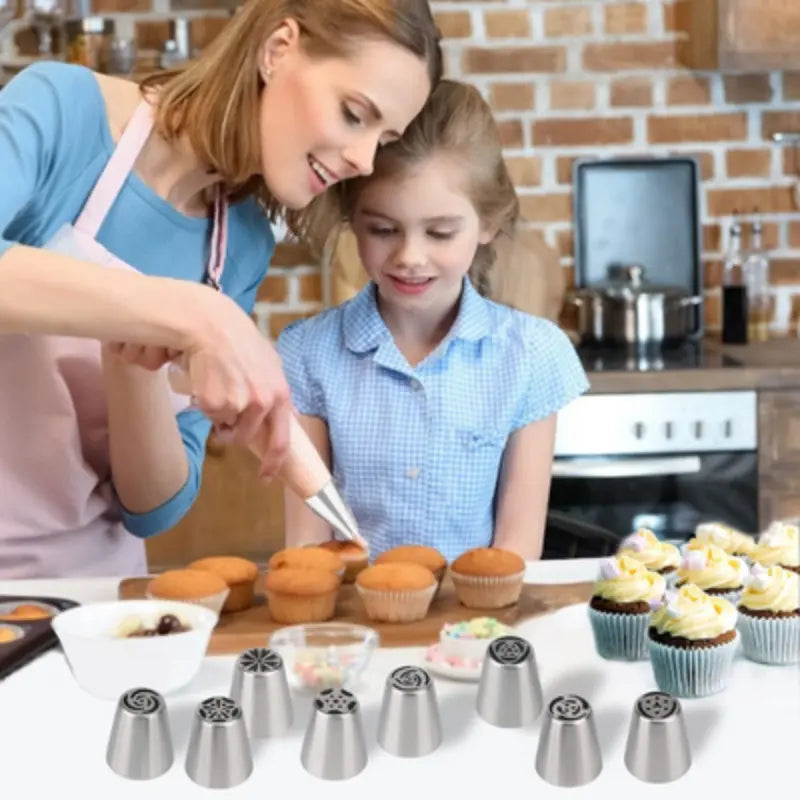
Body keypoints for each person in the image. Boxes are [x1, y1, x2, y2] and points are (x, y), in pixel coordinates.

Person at [0, 0, 441, 578]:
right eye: (354, 114)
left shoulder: (240, 245)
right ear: (278, 49)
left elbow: (153, 508)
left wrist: (136, 368)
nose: (363, 160)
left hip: (91, 594)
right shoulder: (63, 111)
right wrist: (192, 314)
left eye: (384, 140)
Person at [276, 80, 589, 563]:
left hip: (478, 626)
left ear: (487, 222)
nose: (410, 257)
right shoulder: (308, 354)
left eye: (440, 232)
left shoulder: (531, 355)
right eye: (382, 230)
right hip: (353, 628)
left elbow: (516, 551)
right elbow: (308, 549)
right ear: (351, 219)